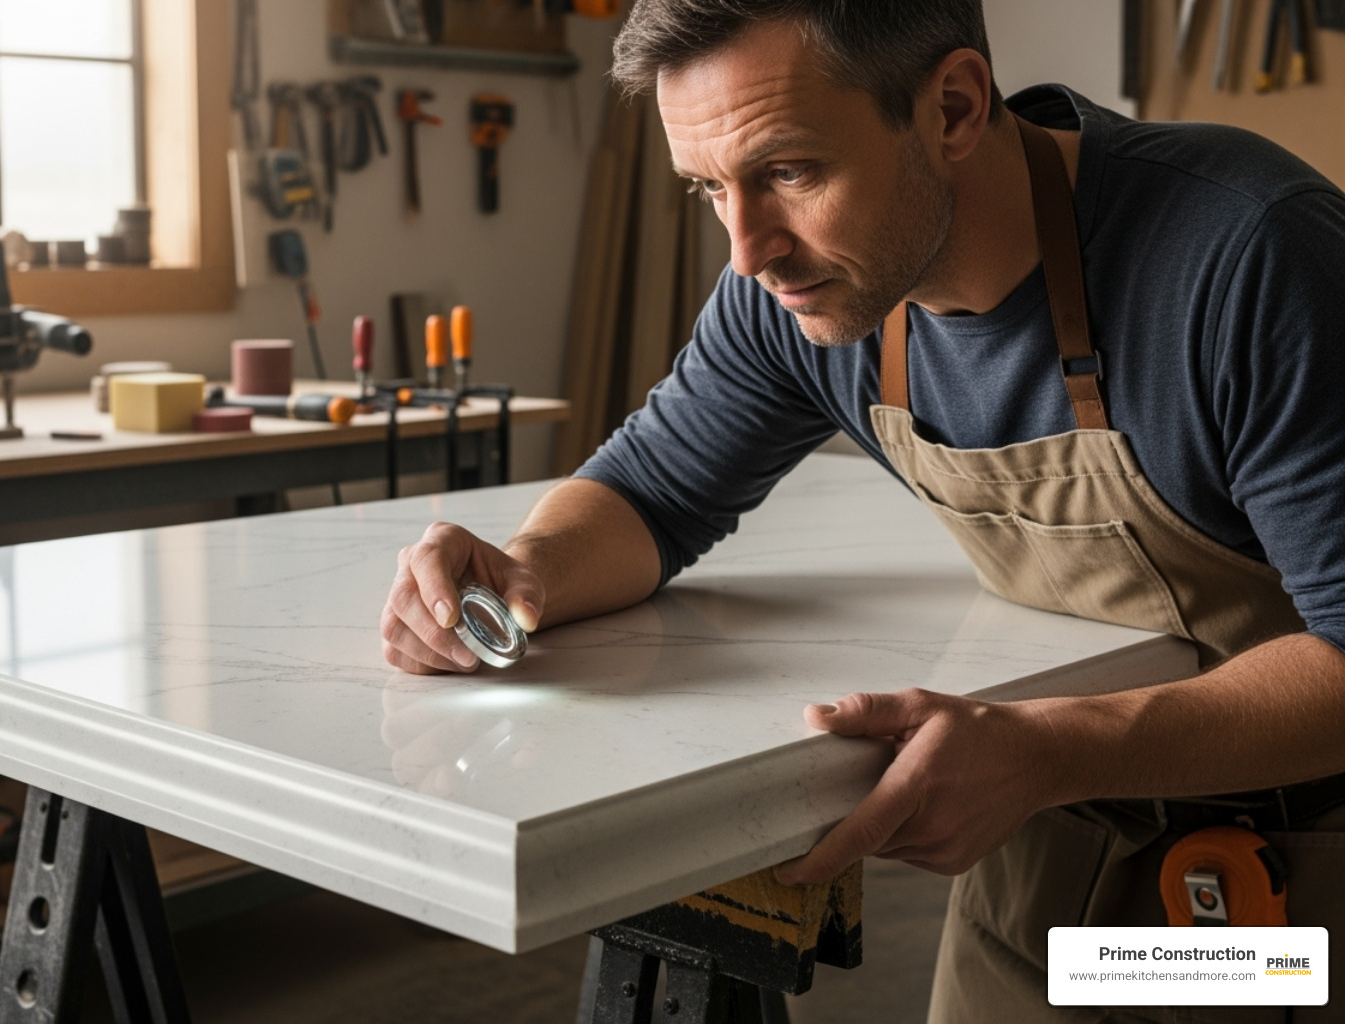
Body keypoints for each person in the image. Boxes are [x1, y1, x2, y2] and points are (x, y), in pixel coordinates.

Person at [380, 2, 1345, 1020]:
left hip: (1304, 882)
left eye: (790, 171)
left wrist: (1053, 747)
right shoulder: (801, 301)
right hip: (1059, 854)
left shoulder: (1247, 258)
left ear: (956, 108)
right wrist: (525, 569)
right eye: (710, 189)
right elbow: (650, 492)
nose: (749, 249)